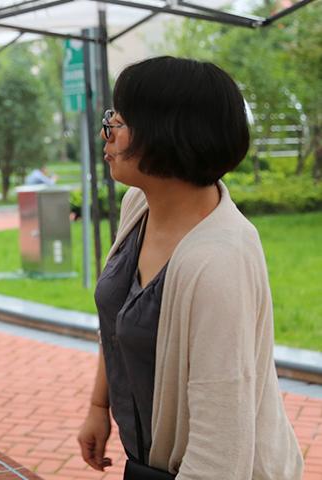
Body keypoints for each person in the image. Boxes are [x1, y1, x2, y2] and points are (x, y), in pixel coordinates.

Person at [76, 56, 303, 478]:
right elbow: (119, 318)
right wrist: (98, 406)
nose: (105, 135)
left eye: (118, 123)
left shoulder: (219, 261)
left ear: (166, 135)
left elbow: (221, 447)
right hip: (152, 462)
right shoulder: (139, 207)